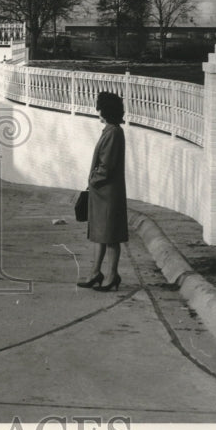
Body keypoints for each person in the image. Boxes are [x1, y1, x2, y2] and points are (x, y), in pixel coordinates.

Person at [77, 91, 128, 291]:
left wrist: (92, 179)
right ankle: (96, 273)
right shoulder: (110, 131)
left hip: (108, 194)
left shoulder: (113, 132)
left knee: (111, 237)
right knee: (100, 235)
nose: (97, 111)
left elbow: (106, 166)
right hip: (103, 194)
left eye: (99, 108)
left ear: (105, 111)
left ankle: (112, 275)